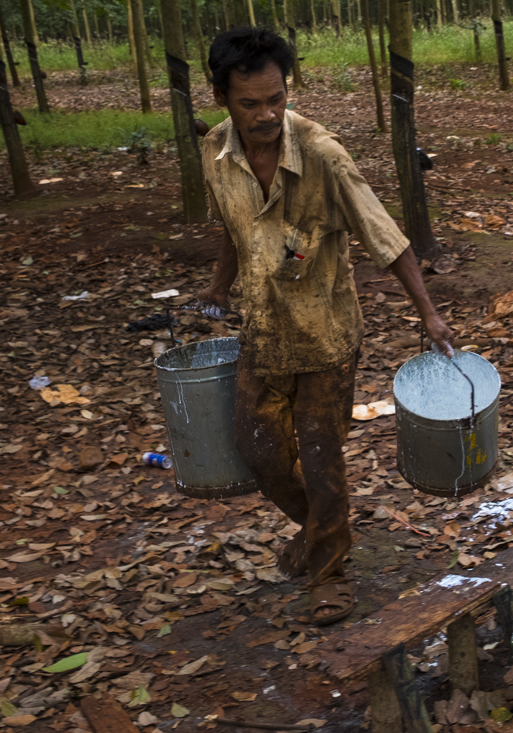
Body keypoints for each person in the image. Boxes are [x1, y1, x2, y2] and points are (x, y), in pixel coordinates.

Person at [196, 27, 453, 625]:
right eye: (250, 104)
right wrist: (216, 286)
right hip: (263, 330)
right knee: (258, 451)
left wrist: (429, 313)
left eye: (276, 99)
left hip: (326, 336)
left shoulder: (323, 154)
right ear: (221, 98)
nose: (266, 115)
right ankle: (320, 531)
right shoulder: (215, 151)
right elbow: (234, 228)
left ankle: (329, 573)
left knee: (320, 457)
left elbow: (383, 235)